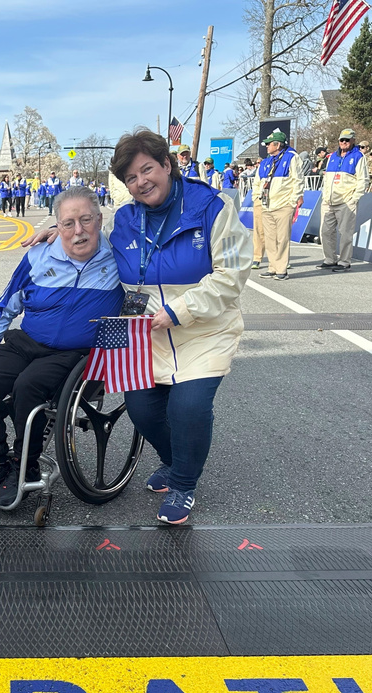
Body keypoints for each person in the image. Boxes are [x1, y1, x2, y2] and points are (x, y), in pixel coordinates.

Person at [108, 128, 251, 523]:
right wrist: (62, 236)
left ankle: (184, 484)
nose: (141, 183)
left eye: (147, 169)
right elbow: (98, 254)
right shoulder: (124, 219)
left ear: (167, 164)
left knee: (188, 405)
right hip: (148, 334)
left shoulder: (211, 205)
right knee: (142, 409)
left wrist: (180, 310)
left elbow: (233, 271)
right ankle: (174, 462)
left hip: (204, 329)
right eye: (131, 178)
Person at [0, 185, 124, 505]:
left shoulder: (119, 257)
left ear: (100, 219)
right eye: (67, 223)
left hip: (75, 353)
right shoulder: (39, 255)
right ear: (57, 225)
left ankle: (26, 464)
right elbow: (7, 302)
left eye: (86, 220)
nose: (78, 231)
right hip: (29, 341)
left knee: (28, 386)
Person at [253, 130, 303, 279]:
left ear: (278, 144)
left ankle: (281, 269)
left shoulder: (292, 157)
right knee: (269, 238)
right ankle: (272, 267)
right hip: (267, 205)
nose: (267, 147)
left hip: (283, 204)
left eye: (269, 144)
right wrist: (257, 197)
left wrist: (293, 200)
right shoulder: (266, 161)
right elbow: (257, 182)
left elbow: (298, 180)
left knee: (282, 238)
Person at [318, 128, 368, 272]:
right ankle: (329, 259)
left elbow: (363, 179)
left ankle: (344, 261)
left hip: (346, 201)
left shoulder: (358, 156)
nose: (344, 142)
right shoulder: (332, 156)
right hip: (329, 200)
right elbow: (327, 177)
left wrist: (355, 198)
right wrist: (324, 195)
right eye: (342, 140)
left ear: (353, 140)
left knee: (345, 233)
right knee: (325, 232)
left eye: (347, 140)